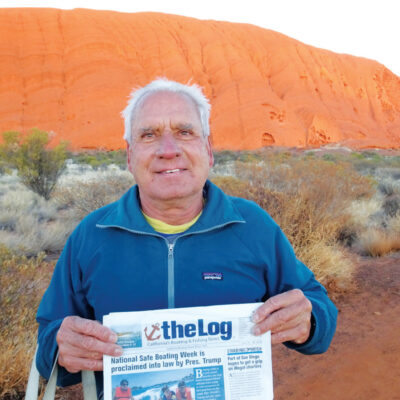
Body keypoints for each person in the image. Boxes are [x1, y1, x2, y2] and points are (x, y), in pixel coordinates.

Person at [36, 78, 337, 396]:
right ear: (129, 156)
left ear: (208, 149)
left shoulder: (253, 227)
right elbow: (48, 347)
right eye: (149, 135)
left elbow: (319, 310)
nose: (168, 150)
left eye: (184, 132)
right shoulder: (92, 235)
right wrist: (61, 346)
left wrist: (309, 321)